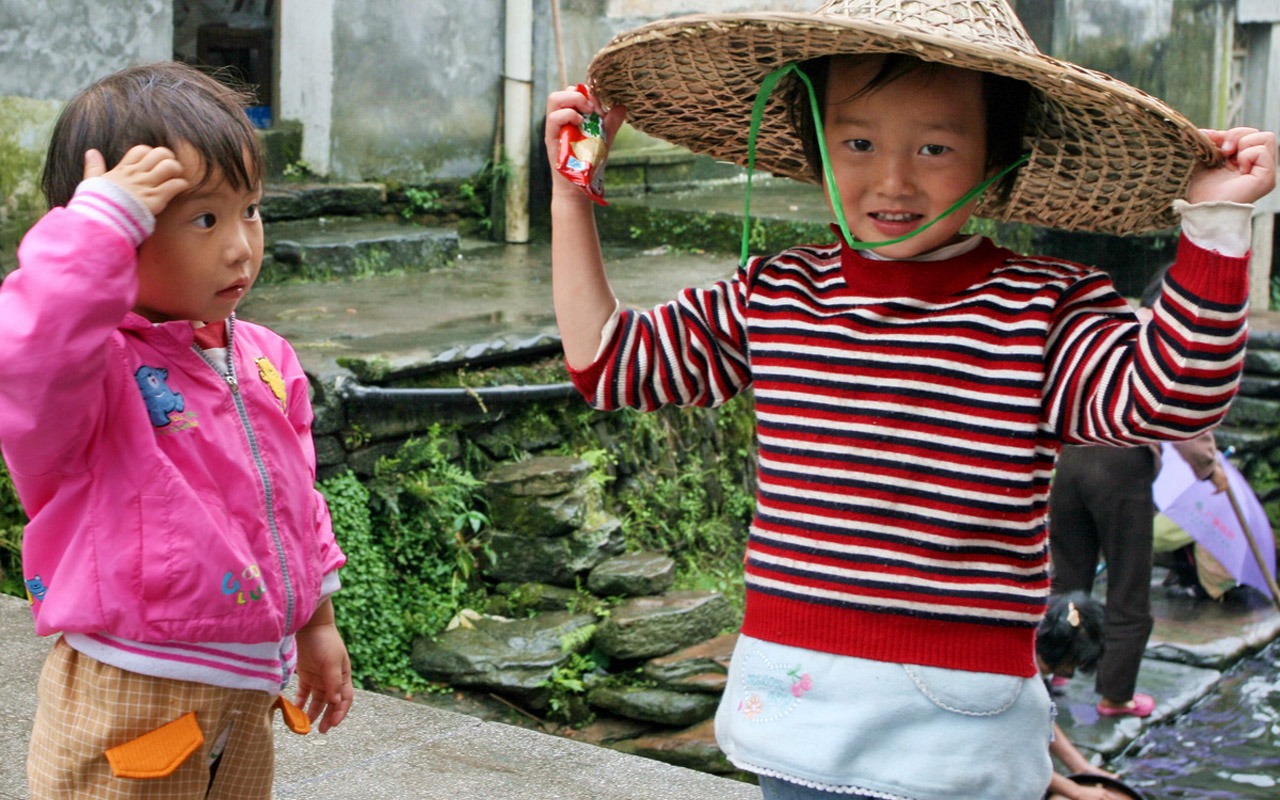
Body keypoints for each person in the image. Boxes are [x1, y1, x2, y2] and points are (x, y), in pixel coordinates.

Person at [545, 1, 1275, 797]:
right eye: (857, 143)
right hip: (794, 718)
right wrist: (571, 194)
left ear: (999, 156)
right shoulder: (777, 293)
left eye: (935, 147)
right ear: (818, 147)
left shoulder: (1045, 309)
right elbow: (610, 363)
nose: (892, 180)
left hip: (956, 737)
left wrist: (1215, 221)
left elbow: (1172, 400)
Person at [0, 62, 353, 799]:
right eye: (204, 219)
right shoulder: (90, 377)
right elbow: (28, 341)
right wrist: (93, 228)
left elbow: (294, 501)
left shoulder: (264, 357)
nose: (239, 247)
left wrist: (315, 622)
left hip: (248, 690)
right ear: (122, 235)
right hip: (131, 691)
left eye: (249, 210)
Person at [1049, 272, 1232, 719]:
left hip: (1069, 459)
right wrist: (1210, 469)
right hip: (1120, 464)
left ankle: (1054, 667)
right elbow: (1187, 422)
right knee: (1129, 588)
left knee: (1067, 581)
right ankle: (1116, 695)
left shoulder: (1102, 324)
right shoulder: (1169, 340)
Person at [1036, 593, 1131, 800]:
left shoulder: (1038, 671)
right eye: (1071, 662)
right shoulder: (1012, 682)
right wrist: (1077, 792)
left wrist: (1081, 768)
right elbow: (1008, 759)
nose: (1069, 672)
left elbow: (1042, 717)